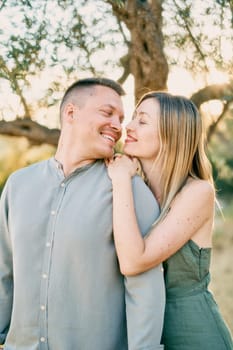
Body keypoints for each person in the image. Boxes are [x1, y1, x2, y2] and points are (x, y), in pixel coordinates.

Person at [0, 78, 165, 350]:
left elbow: (144, 289)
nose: (118, 125)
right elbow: (3, 269)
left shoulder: (131, 190)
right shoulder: (18, 184)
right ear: (71, 113)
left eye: (121, 117)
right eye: (107, 112)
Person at [107, 91, 233, 350]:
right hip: (141, 330)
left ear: (171, 133)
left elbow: (133, 262)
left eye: (142, 121)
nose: (128, 126)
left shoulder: (197, 192)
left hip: (194, 334)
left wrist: (120, 180)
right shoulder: (136, 190)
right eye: (133, 118)